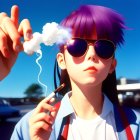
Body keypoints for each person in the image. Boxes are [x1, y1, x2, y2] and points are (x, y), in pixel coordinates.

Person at [0, 5, 139, 140]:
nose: (91, 54)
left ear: (112, 65)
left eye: (104, 47)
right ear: (62, 61)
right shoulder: (29, 126)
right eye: (77, 45)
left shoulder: (136, 126)